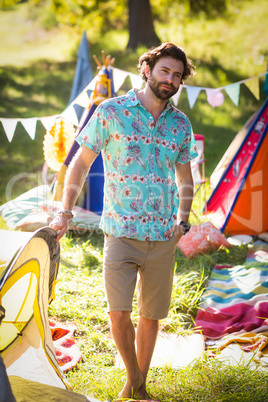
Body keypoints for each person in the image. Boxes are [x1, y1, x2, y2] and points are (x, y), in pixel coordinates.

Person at [50, 42, 197, 401]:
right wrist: (65, 210)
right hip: (119, 231)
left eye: (177, 75)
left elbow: (185, 179)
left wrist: (183, 220)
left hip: (163, 235)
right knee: (118, 314)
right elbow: (80, 163)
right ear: (147, 70)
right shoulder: (110, 112)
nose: (170, 79)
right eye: (164, 70)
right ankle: (138, 384)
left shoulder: (180, 124)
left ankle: (134, 387)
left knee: (151, 315)